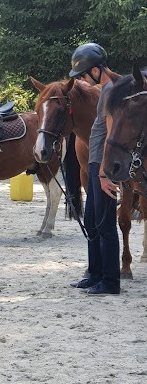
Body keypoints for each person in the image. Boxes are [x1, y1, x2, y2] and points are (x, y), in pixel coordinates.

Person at [68, 43, 121, 295]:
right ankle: (95, 272)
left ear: (97, 70)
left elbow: (110, 134)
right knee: (91, 220)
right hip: (93, 162)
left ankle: (110, 282)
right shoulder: (103, 91)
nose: (81, 80)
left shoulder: (112, 92)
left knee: (105, 224)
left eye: (83, 75)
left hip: (103, 166)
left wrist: (103, 172)